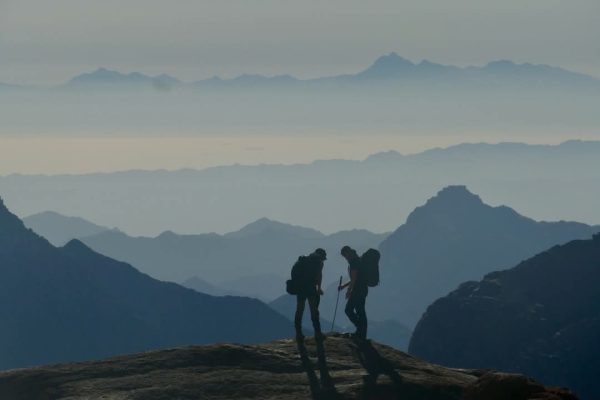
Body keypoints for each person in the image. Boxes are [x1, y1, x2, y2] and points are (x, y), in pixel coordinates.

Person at [294, 248, 327, 342]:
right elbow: (319, 276)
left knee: (299, 311)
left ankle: (298, 334)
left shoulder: (304, 260)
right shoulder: (319, 262)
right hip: (311, 289)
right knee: (314, 311)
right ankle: (318, 334)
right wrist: (319, 288)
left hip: (300, 288)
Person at [339, 245, 368, 341]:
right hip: (363, 289)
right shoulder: (358, 260)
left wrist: (348, 291)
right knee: (360, 311)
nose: (345, 258)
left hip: (357, 291)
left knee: (349, 310)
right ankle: (361, 333)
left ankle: (360, 330)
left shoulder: (353, 262)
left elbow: (354, 279)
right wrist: (344, 286)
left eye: (344, 255)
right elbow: (354, 278)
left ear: (347, 253)